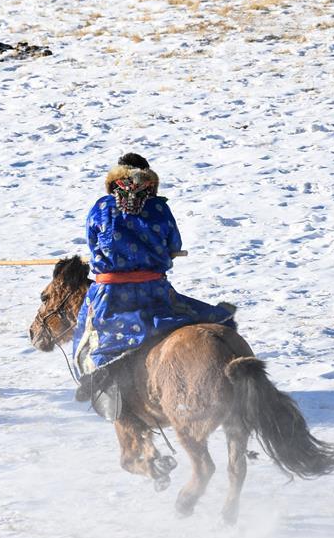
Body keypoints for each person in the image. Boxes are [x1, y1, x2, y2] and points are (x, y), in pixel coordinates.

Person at [70, 153, 236, 421]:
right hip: (154, 292)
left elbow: (93, 243)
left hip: (111, 296)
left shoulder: (101, 206)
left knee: (88, 332)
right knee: (203, 316)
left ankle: (95, 377)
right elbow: (174, 244)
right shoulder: (159, 208)